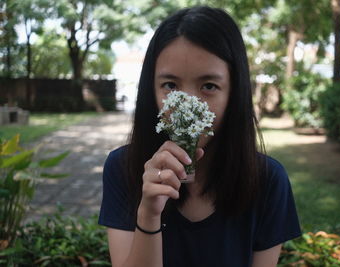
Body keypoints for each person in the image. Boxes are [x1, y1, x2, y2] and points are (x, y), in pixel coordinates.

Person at [98, 6, 301, 267]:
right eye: (170, 86)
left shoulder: (268, 180)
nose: (189, 107)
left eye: (208, 86)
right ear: (151, 90)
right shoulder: (122, 168)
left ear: (233, 93)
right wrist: (148, 213)